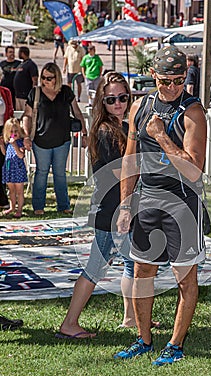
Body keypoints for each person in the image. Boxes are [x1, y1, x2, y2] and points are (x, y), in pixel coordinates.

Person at [114, 45, 207, 366]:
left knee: (185, 278)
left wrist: (162, 136)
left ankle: (176, 344)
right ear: (153, 75)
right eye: (165, 80)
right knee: (142, 271)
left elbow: (194, 169)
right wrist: (126, 205)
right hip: (148, 200)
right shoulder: (139, 106)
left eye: (179, 80)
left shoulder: (192, 111)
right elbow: (130, 160)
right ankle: (143, 339)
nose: (172, 87)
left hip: (183, 204)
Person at [57, 71, 134, 338]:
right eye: (111, 99)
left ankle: (131, 318)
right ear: (102, 101)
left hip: (121, 208)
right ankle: (69, 324)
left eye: (123, 97)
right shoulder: (105, 130)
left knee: (131, 263)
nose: (118, 103)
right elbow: (117, 172)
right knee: (95, 268)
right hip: (111, 210)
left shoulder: (123, 127)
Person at [22, 62, 88, 215]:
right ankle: (38, 206)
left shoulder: (65, 92)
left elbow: (77, 113)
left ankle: (63, 205)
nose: (45, 80)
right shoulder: (35, 93)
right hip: (40, 141)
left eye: (49, 78)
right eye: (43, 77)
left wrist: (84, 134)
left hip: (62, 141)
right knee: (41, 173)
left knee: (60, 174)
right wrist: (26, 135)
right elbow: (27, 115)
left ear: (57, 77)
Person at [0, 117, 27, 218]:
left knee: (19, 191)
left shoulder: (20, 142)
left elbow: (21, 155)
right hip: (9, 169)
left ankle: (19, 209)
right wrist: (2, 145)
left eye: (16, 131)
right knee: (11, 190)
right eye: (11, 131)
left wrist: (15, 145)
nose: (14, 133)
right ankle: (12, 207)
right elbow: (5, 154)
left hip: (18, 169)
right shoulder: (8, 143)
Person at [0, 83, 14, 209]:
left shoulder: (5, 92)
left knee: (3, 164)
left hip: (3, 131)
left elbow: (10, 112)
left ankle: (3, 199)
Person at [13, 46, 38, 112]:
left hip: (25, 96)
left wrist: (33, 94)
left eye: (19, 52)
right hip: (18, 96)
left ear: (23, 53)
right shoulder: (22, 64)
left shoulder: (31, 65)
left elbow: (34, 80)